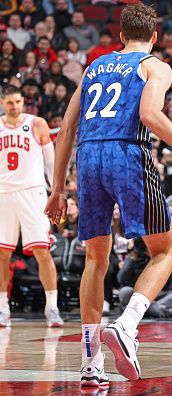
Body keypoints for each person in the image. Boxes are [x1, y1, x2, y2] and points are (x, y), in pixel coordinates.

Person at [43, 3, 172, 387]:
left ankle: (90, 363)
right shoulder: (155, 65)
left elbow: (64, 131)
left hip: (87, 156)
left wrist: (58, 189)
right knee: (166, 249)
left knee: (96, 257)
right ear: (155, 37)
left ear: (121, 36)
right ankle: (126, 326)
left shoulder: (94, 66)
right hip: (126, 153)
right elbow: (149, 115)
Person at [0, 85, 64, 328]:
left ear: (23, 101)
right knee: (2, 254)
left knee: (42, 252)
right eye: (10, 103)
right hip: (3, 193)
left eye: (18, 102)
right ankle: (3, 308)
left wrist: (56, 191)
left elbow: (51, 161)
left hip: (33, 192)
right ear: (2, 103)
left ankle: (52, 308)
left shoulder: (37, 123)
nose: (15, 106)